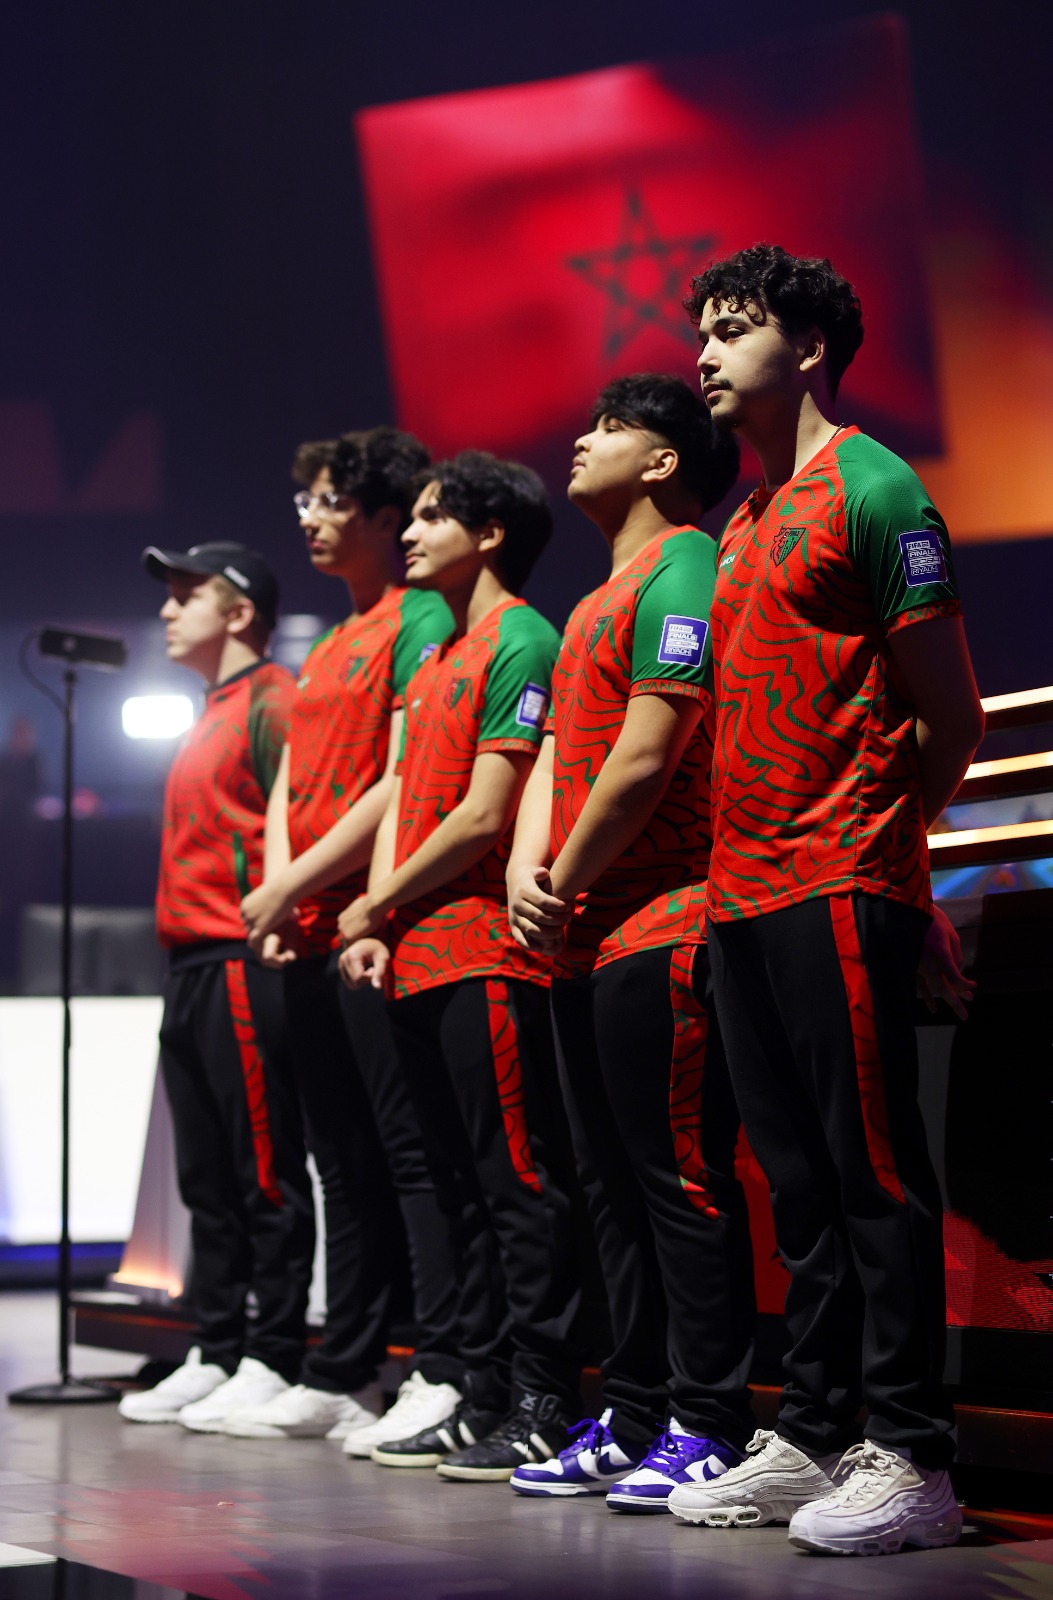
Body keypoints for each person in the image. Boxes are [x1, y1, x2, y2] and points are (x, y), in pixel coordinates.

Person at [666, 244, 984, 1556]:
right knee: (791, 1185)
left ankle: (913, 1455)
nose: (703, 352)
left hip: (840, 877)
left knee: (871, 1179)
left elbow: (950, 716)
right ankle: (810, 1432)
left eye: (731, 328)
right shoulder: (741, 523)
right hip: (739, 895)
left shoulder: (876, 486)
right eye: (700, 330)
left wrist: (887, 855)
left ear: (806, 348)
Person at [505, 374, 758, 1512]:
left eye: (610, 428)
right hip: (580, 932)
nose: (581, 438)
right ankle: (638, 1409)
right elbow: (560, 755)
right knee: (609, 1186)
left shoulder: (685, 566)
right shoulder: (594, 600)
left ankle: (710, 1418)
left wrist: (560, 876)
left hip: (662, 919)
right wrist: (528, 872)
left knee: (676, 1181)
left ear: (663, 462)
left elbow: (651, 750)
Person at [341, 451, 585, 1481]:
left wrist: (374, 900)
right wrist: (378, 919)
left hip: (485, 953)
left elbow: (488, 813)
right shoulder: (436, 653)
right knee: (457, 1188)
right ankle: (477, 1390)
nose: (410, 530)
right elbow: (407, 795)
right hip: (417, 955)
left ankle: (545, 1398)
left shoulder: (524, 638)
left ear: (490, 535)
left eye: (434, 516)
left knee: (516, 1181)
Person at [231, 428, 463, 1449]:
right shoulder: (327, 642)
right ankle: (346, 1365)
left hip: (376, 927)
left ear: (382, 514)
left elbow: (403, 779)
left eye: (331, 502)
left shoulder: (420, 618)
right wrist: (283, 893)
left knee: (408, 1155)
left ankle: (434, 1361)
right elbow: (291, 779)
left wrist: (295, 885)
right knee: (336, 1157)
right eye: (307, 503)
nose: (313, 520)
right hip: (311, 929)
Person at [119, 542, 315, 1430]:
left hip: (240, 955)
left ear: (238, 611)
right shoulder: (209, 710)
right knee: (204, 1172)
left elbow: (298, 823)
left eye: (185, 594)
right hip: (189, 963)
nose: (167, 610)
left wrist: (277, 924)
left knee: (261, 1164)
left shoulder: (274, 700)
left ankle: (274, 1351)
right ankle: (218, 1344)